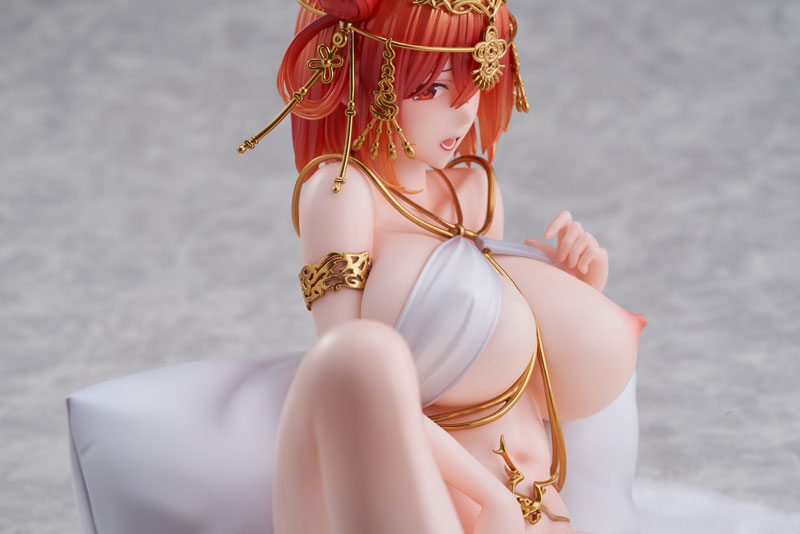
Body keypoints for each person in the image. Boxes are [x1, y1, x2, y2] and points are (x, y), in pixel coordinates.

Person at [66, 1, 646, 533]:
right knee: (368, 354)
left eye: (476, 78)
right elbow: (347, 371)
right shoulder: (342, 194)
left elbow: (495, 351)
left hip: (532, 491)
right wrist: (485, 497)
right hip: (423, 488)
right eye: (433, 87)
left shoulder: (475, 191)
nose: (462, 110)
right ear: (371, 79)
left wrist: (570, 295)